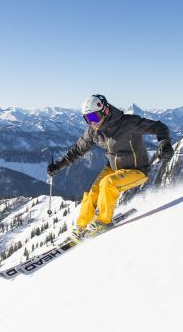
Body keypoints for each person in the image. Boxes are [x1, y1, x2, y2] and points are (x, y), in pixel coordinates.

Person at [47, 94, 174, 240]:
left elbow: (160, 127)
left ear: (105, 111)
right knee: (93, 192)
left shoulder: (128, 123)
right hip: (113, 167)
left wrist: (164, 143)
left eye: (94, 117)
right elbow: (78, 149)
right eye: (88, 119)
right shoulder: (93, 131)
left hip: (137, 170)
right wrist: (58, 165)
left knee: (108, 183)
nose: (92, 123)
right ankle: (81, 227)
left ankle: (103, 222)